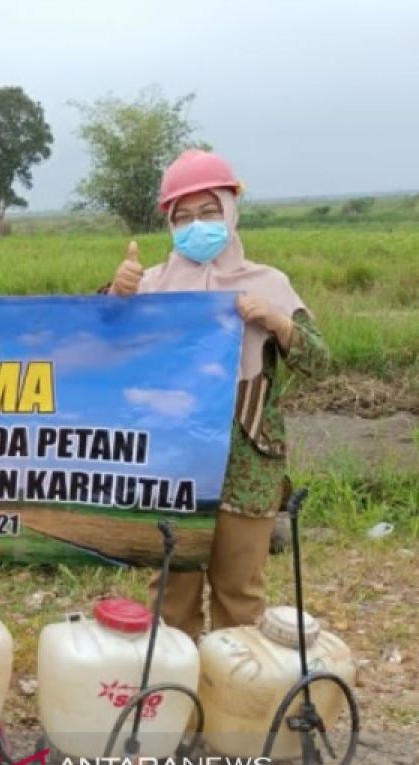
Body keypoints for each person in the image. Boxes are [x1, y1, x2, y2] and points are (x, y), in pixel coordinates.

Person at [107, 150, 328, 640]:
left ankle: (235, 704)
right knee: (172, 595)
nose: (196, 226)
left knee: (239, 596)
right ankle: (177, 704)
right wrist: (115, 298)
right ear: (168, 222)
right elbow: (100, 348)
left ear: (231, 209)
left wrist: (276, 322)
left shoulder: (269, 284)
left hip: (247, 464)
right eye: (182, 217)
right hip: (173, 463)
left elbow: (318, 360)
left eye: (208, 212)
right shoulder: (150, 285)